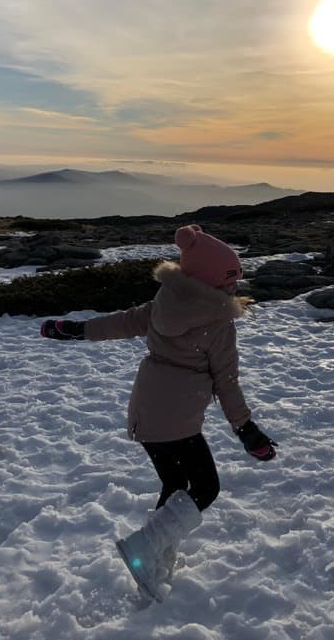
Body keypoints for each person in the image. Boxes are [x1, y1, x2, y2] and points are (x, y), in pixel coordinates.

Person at [40, 223, 276, 601]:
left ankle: (159, 558)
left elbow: (123, 321)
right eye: (229, 281)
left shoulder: (167, 301)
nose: (235, 288)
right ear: (210, 282)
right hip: (177, 419)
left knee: (175, 485)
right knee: (205, 487)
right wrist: (246, 429)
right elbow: (227, 381)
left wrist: (77, 329)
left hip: (148, 411)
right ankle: (145, 550)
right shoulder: (217, 323)